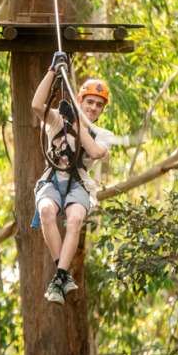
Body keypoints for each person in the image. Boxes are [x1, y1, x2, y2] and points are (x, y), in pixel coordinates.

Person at [29, 51, 117, 305]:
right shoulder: (58, 119)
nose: (93, 108)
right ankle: (62, 274)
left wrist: (79, 126)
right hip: (53, 179)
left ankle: (59, 277)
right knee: (46, 211)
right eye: (89, 102)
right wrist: (52, 71)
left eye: (98, 105)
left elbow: (97, 151)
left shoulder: (101, 133)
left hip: (78, 183)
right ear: (80, 100)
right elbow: (36, 105)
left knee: (76, 218)